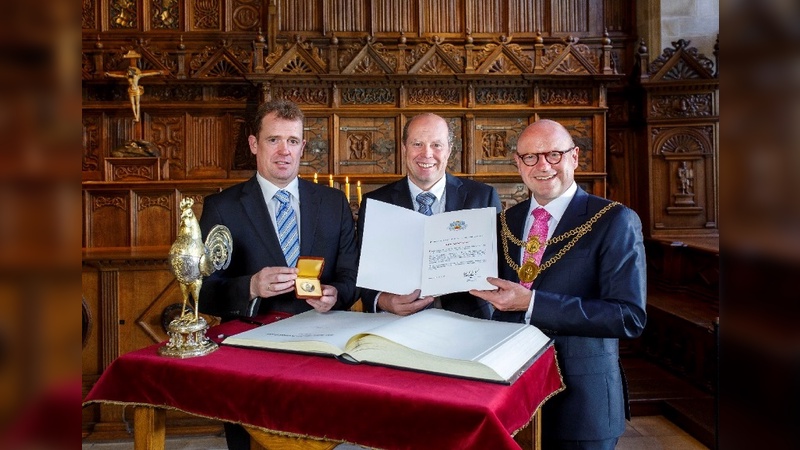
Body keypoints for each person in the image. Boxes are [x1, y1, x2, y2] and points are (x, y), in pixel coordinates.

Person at [469, 119, 647, 450]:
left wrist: (532, 303)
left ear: (575, 157)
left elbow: (628, 316)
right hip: (511, 395)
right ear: (518, 164)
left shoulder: (613, 220)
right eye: (531, 157)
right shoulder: (506, 221)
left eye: (554, 154)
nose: (543, 166)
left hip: (582, 401)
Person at [198, 99, 358, 450]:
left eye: (292, 140)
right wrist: (251, 286)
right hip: (249, 353)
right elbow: (203, 291)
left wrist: (336, 294)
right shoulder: (221, 207)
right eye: (273, 140)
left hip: (321, 348)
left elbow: (350, 274)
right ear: (255, 144)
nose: (284, 150)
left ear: (303, 146)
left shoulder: (333, 203)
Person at [356, 113, 501, 318]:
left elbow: (501, 268)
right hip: (397, 324)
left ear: (449, 150)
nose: (427, 154)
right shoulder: (376, 203)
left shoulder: (483, 197)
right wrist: (383, 300)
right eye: (417, 144)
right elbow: (361, 273)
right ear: (404, 148)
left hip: (470, 323)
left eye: (436, 145)